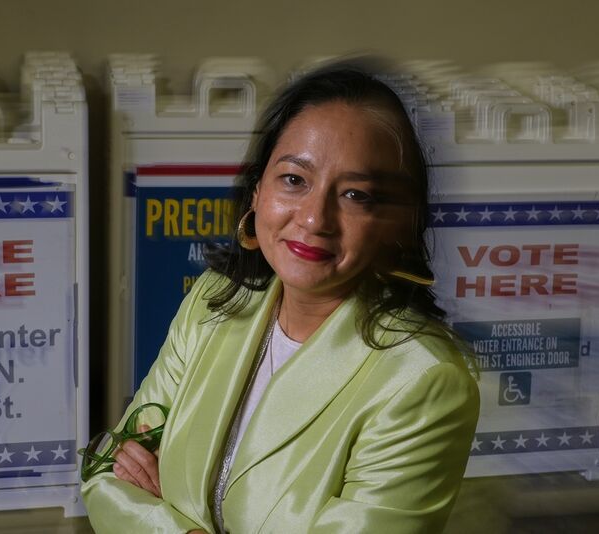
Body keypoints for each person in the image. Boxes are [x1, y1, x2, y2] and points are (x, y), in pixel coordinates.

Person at [82, 59, 480, 533]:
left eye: (356, 195)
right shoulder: (216, 299)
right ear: (256, 192)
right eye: (294, 180)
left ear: (398, 223)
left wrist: (170, 517)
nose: (315, 219)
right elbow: (106, 468)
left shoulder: (424, 380)